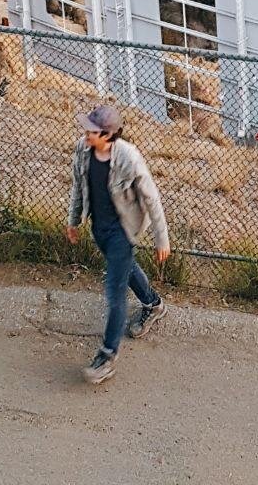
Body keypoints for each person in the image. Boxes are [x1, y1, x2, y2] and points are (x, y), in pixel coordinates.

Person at [66, 104, 171, 384]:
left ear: (108, 135)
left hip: (123, 232)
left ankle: (107, 356)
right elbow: (78, 185)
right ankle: (153, 304)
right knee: (124, 269)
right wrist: (73, 221)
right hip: (99, 228)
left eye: (91, 130)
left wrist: (162, 238)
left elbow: (151, 198)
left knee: (115, 293)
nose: (85, 133)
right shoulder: (83, 149)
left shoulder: (128, 158)